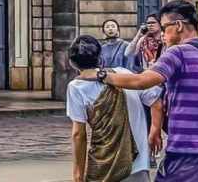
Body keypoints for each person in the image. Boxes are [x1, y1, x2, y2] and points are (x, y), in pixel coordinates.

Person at [104, 0, 198, 182]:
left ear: (178, 25)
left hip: (187, 150)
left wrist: (102, 75)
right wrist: (156, 128)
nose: (162, 34)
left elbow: (141, 81)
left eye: (164, 27)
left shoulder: (177, 52)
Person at [66, 35, 163, 182]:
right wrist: (155, 130)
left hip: (103, 166)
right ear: (100, 57)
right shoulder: (124, 74)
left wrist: (78, 173)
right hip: (137, 163)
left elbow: (79, 134)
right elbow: (156, 99)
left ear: (72, 63)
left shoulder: (76, 87)